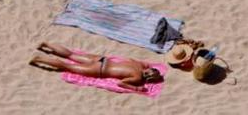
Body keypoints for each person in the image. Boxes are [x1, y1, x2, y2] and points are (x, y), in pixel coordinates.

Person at [29, 42, 163, 90]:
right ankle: (39, 59)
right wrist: (137, 88)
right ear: (149, 78)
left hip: (103, 60)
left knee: (70, 55)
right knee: (66, 66)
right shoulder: (137, 77)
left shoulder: (138, 65)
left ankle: (46, 45)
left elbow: (129, 59)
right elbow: (121, 84)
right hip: (100, 70)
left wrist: (145, 64)